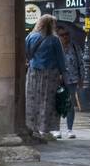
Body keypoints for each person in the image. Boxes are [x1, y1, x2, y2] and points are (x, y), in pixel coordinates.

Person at [24, 15, 66, 143]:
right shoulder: (54, 40)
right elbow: (60, 59)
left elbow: (25, 54)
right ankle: (46, 129)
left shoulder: (30, 37)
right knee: (48, 101)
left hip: (33, 73)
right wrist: (63, 74)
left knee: (32, 100)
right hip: (50, 75)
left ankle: (32, 127)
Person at [55, 25, 82, 139]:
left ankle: (69, 129)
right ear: (58, 36)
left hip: (72, 79)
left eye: (67, 34)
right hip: (57, 80)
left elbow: (80, 62)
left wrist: (82, 78)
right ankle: (56, 129)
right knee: (56, 104)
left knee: (70, 104)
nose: (65, 37)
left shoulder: (74, 46)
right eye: (62, 35)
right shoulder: (55, 47)